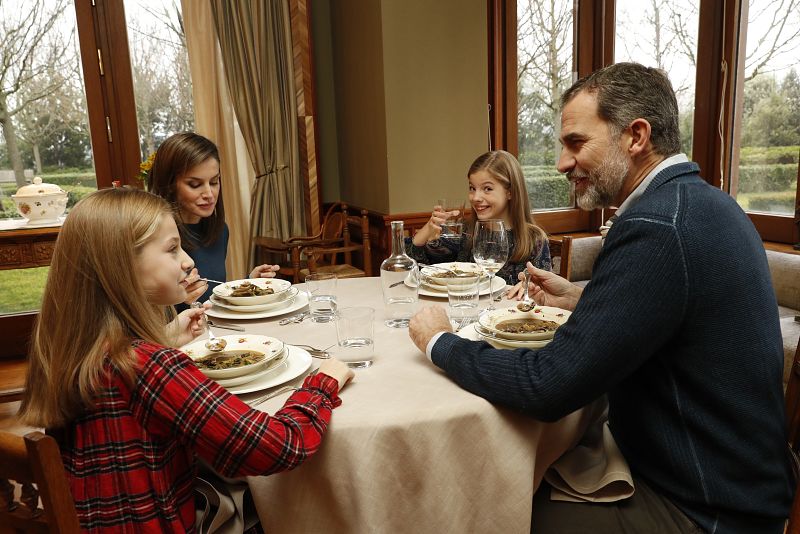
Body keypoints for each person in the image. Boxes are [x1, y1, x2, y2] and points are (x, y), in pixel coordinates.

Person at [408, 63, 792, 533]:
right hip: (732, 479)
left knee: (493, 509)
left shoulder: (655, 226)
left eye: (575, 142)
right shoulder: (703, 202)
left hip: (708, 507)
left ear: (635, 137)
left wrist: (439, 342)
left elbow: (547, 387)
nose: (562, 163)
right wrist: (583, 299)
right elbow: (673, 312)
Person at [17, 188, 354, 532]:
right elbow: (277, 446)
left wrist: (164, 339)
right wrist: (322, 383)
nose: (189, 261)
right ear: (120, 265)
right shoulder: (149, 367)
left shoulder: (72, 349)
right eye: (172, 248)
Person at [147, 132, 280, 307]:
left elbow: (211, 296)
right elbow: (139, 320)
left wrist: (248, 284)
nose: (209, 194)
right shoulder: (152, 237)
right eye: (195, 185)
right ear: (169, 184)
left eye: (214, 182)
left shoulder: (220, 231)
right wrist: (177, 300)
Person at [405, 150, 551, 293]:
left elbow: (544, 293)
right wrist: (429, 227)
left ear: (510, 192)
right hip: (467, 312)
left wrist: (531, 288)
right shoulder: (467, 231)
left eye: (487, 189)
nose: (475, 197)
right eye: (472, 188)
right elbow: (416, 267)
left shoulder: (534, 239)